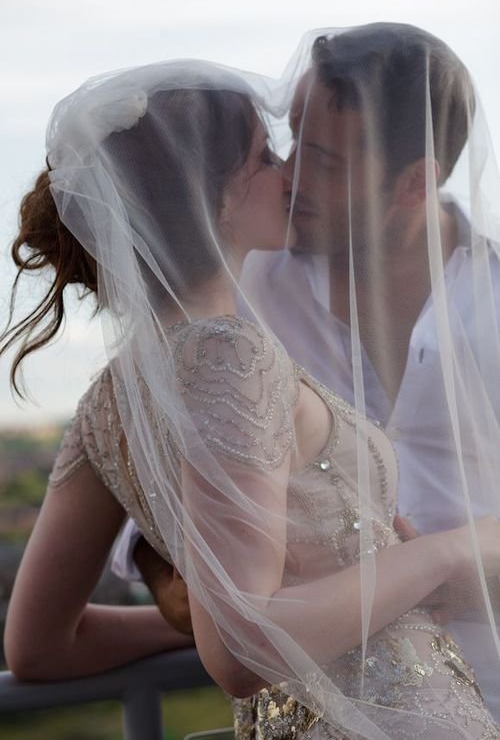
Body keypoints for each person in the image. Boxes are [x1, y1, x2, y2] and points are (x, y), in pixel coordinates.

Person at [1, 48, 500, 740]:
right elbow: (240, 649)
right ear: (213, 199)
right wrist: (444, 555)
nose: (288, 175)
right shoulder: (228, 352)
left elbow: (39, 646)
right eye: (265, 158)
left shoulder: (109, 397)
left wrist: (209, 613)